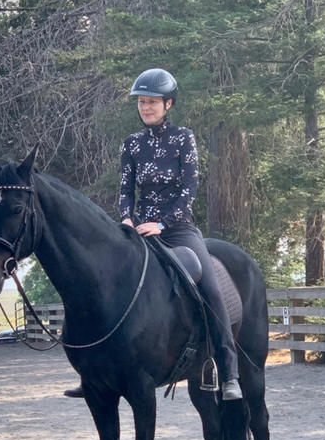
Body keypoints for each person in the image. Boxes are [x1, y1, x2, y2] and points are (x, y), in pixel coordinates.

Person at [64, 67, 241, 400]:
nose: (146, 107)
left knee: (210, 288)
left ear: (168, 104)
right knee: (100, 281)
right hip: (138, 231)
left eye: (152, 102)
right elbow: (126, 189)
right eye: (142, 102)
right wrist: (128, 219)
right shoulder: (131, 144)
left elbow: (190, 188)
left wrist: (162, 223)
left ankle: (227, 370)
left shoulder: (183, 138)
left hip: (177, 230)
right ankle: (92, 372)